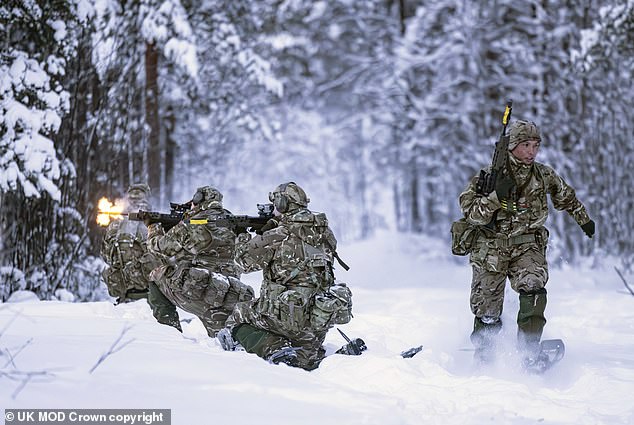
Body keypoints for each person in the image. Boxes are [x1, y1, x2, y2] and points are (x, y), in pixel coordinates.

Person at [458, 119, 595, 364]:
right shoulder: (488, 177)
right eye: (525, 145)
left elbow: (566, 197)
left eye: (535, 145)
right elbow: (472, 215)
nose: (531, 151)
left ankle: (529, 353)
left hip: (527, 245)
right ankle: (485, 357)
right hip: (491, 248)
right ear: (511, 147)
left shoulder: (543, 175)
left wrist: (583, 220)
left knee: (533, 287)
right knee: (487, 310)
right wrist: (495, 196)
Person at [218, 182, 357, 371]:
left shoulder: (279, 235)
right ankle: (324, 358)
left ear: (283, 204)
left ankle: (275, 349)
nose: (273, 209)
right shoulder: (324, 231)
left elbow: (242, 262)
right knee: (307, 362)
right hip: (318, 317)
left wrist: (241, 235)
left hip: (285, 315)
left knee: (238, 315)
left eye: (275, 204)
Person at [146, 186, 254, 337]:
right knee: (224, 339)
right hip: (228, 294)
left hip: (198, 293)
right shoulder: (233, 222)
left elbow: (159, 247)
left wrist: (153, 227)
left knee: (155, 276)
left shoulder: (193, 223)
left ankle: (169, 332)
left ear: (198, 199)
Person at [101, 183, 159, 304]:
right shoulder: (153, 224)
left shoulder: (115, 224)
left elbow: (106, 256)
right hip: (152, 297)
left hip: (125, 295)